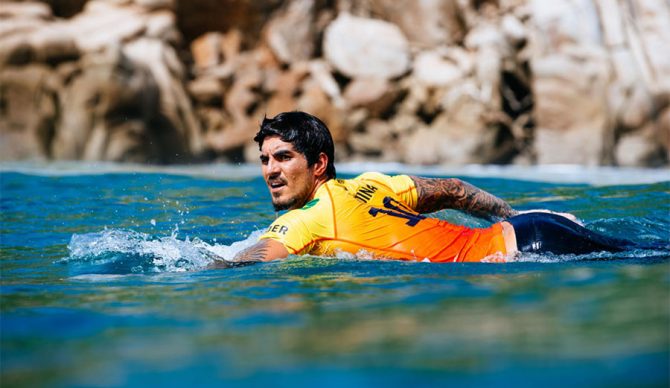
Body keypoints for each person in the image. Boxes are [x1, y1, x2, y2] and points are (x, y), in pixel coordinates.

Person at [211, 111, 640, 268]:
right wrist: (515, 219)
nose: (270, 169)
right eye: (265, 159)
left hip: (527, 250)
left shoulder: (307, 220)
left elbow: (247, 264)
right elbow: (453, 189)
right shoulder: (371, 183)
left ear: (319, 163)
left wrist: (200, 269)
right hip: (535, 231)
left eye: (283, 157)